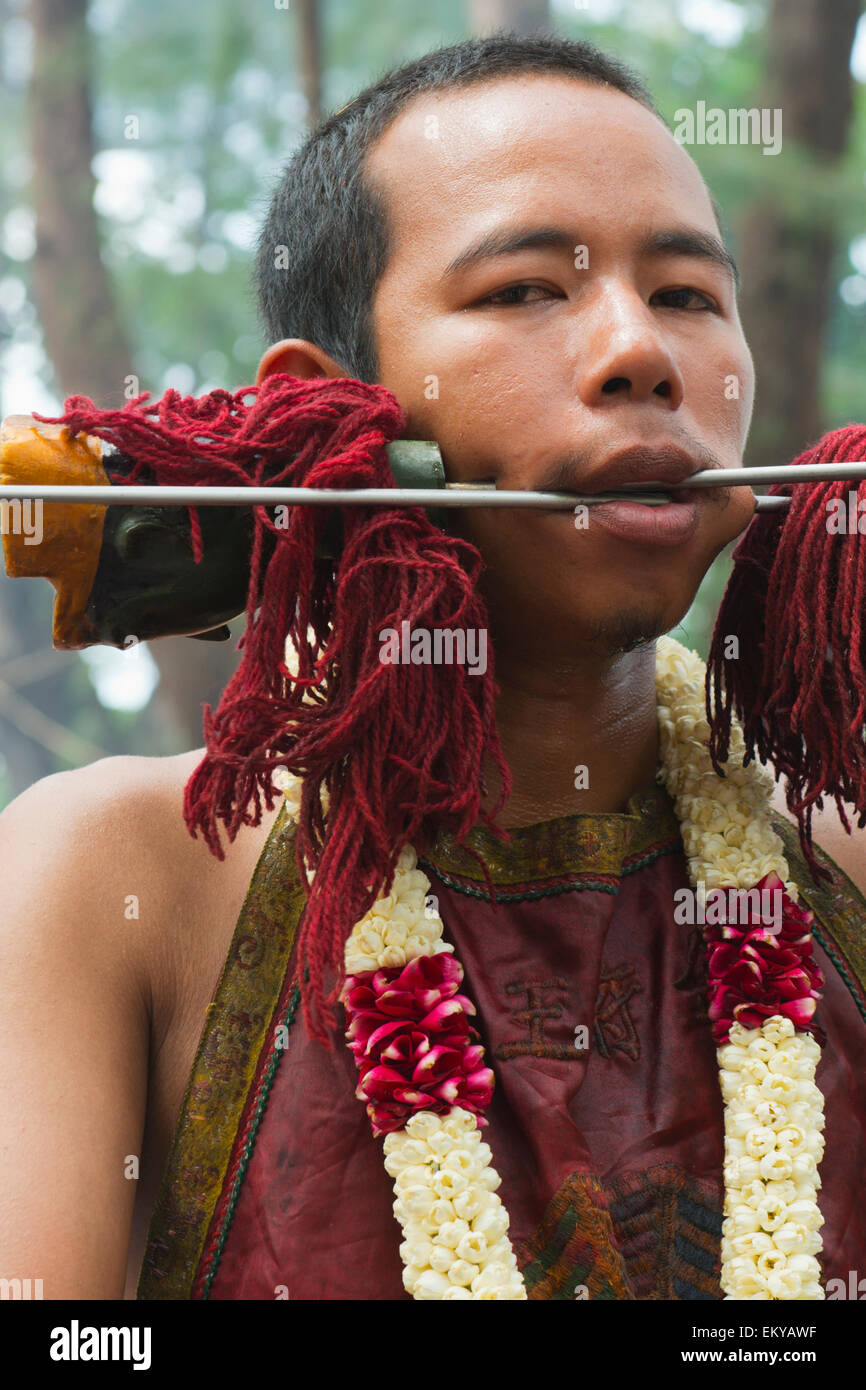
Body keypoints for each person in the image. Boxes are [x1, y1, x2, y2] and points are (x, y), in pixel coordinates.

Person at [1, 33, 864, 1302]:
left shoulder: (844, 858)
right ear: (335, 415)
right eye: (525, 290)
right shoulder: (119, 875)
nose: (642, 354)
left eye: (685, 294)